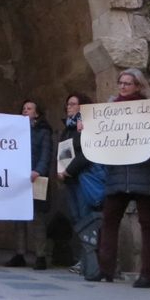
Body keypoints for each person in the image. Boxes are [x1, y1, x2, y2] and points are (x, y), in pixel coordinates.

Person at [90, 68, 150, 287]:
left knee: (148, 223)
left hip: (145, 171)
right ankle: (105, 269)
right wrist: (87, 130)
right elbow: (99, 142)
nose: (123, 86)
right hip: (118, 173)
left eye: (128, 83)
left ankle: (149, 274)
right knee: (109, 220)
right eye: (121, 82)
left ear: (138, 86)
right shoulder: (109, 111)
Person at [56, 93, 105, 279]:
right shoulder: (68, 128)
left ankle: (90, 259)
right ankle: (84, 258)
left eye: (73, 104)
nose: (69, 107)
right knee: (77, 219)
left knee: (87, 219)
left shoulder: (87, 127)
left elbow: (87, 152)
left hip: (82, 178)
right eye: (68, 104)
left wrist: (69, 170)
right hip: (70, 180)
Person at [6, 99, 52, 270]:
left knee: (38, 218)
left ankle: (41, 255)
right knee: (19, 218)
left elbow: (46, 153)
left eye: (29, 108)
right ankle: (20, 253)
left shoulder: (43, 132)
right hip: (19, 179)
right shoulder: (16, 131)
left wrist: (38, 170)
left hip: (35, 177)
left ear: (37, 113)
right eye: (23, 108)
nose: (25, 110)